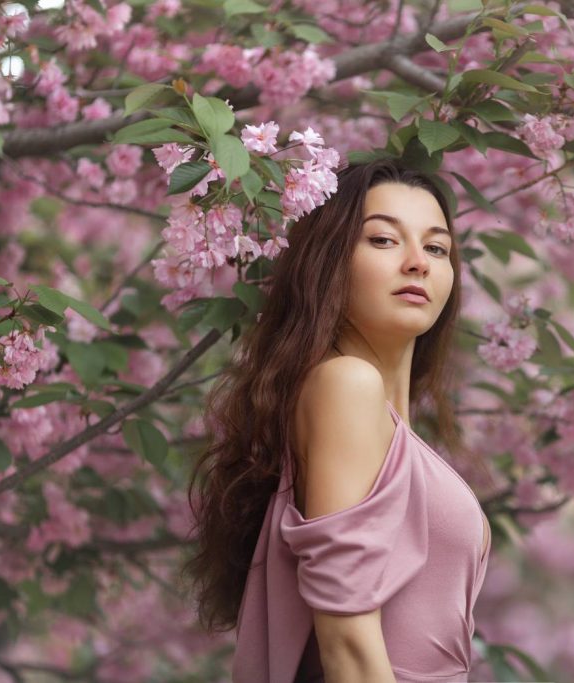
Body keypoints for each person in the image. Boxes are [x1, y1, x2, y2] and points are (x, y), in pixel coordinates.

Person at [183, 159, 493, 682]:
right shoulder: (346, 384)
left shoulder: (379, 419)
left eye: (437, 248)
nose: (418, 262)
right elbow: (346, 641)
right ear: (330, 262)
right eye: (383, 240)